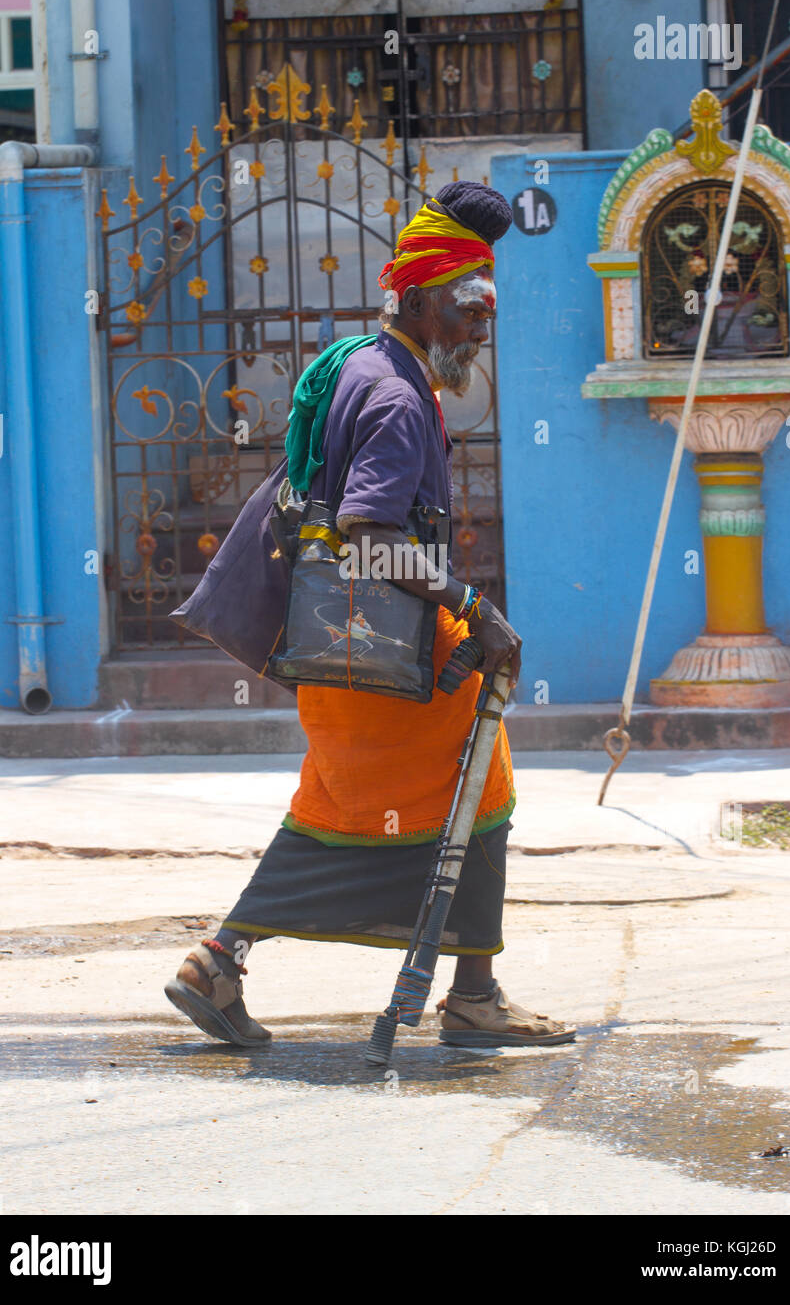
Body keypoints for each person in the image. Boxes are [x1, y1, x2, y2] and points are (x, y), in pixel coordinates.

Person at [165, 182, 575, 1049]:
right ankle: (472, 998)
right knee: (480, 787)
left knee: (341, 805)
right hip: (387, 649)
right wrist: (474, 608)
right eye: (470, 309)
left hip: (340, 649)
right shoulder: (394, 398)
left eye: (489, 311)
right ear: (421, 299)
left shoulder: (359, 361)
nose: (482, 327)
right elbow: (367, 530)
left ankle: (220, 957)